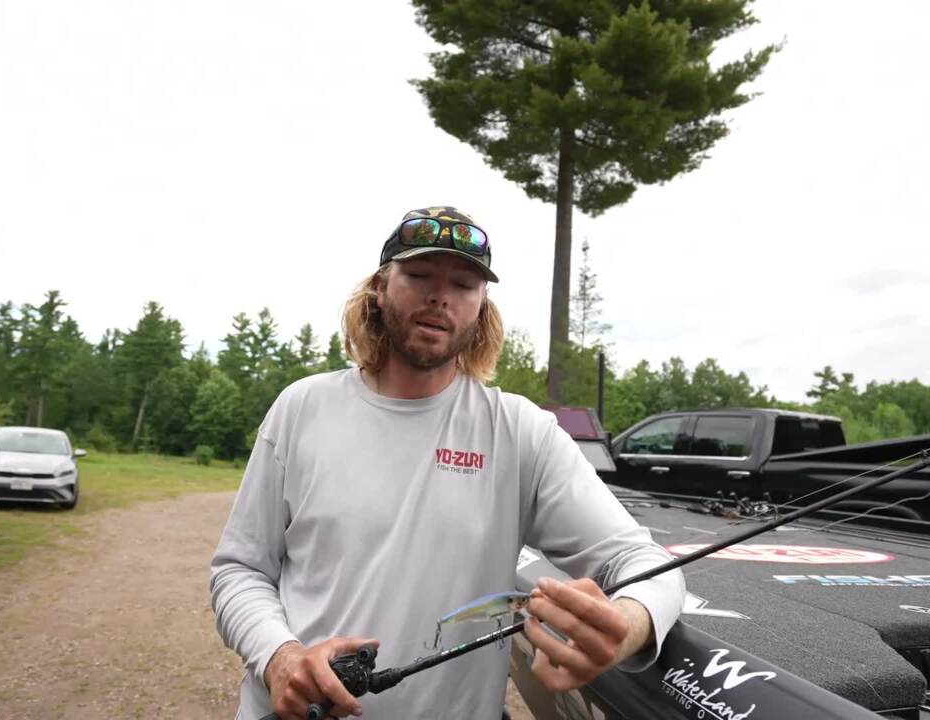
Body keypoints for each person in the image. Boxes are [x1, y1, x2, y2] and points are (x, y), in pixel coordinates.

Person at [210, 206, 686, 719]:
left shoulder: (519, 432)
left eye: (463, 284)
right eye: (419, 275)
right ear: (380, 289)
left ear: (481, 307)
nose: (441, 296)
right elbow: (240, 569)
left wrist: (627, 624)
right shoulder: (302, 408)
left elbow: (642, 562)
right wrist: (281, 658)